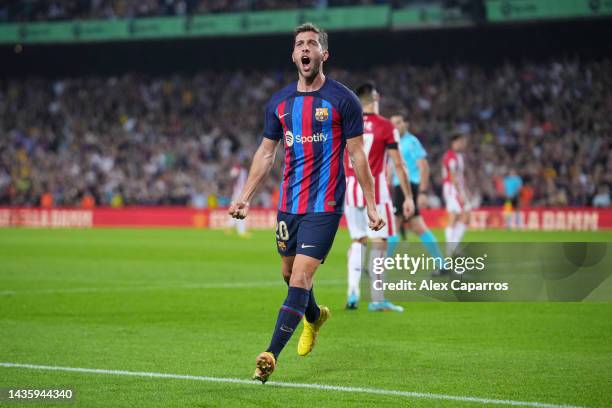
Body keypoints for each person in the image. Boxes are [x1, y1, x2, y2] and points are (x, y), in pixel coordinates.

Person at [228, 23, 385, 383]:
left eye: (312, 43)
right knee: (288, 274)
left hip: (325, 204)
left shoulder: (343, 99)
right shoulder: (280, 103)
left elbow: (358, 154)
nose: (305, 48)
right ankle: (314, 317)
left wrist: (372, 205)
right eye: (300, 43)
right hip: (289, 204)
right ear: (293, 54)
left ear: (323, 54)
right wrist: (245, 198)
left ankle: (270, 355)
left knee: (301, 275)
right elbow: (266, 154)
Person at [344, 84, 414, 311]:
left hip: (350, 186)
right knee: (379, 242)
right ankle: (377, 298)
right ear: (375, 98)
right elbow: (399, 165)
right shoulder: (386, 126)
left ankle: (352, 290)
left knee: (357, 240)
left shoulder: (346, 122)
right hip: (376, 190)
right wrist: (408, 197)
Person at [388, 114, 445, 273]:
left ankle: (380, 266)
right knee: (418, 227)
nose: (396, 126)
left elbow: (424, 167)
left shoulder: (411, 142)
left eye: (399, 122)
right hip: (401, 187)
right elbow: (393, 166)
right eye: (393, 124)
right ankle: (442, 264)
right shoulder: (396, 142)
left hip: (408, 186)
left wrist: (423, 192)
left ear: (406, 123)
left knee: (394, 225)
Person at [442, 133, 469, 256]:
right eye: (460, 142)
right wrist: (460, 192)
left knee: (462, 216)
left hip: (457, 188)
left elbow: (459, 176)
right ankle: (452, 250)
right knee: (457, 216)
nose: (462, 144)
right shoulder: (450, 156)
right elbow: (452, 176)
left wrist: (464, 190)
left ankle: (453, 248)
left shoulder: (459, 156)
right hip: (452, 189)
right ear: (453, 143)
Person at [227, 159, 250, 237]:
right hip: (238, 193)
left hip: (241, 193)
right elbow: (232, 175)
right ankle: (241, 231)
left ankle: (229, 227)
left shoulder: (245, 171)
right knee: (241, 210)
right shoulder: (239, 169)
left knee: (236, 210)